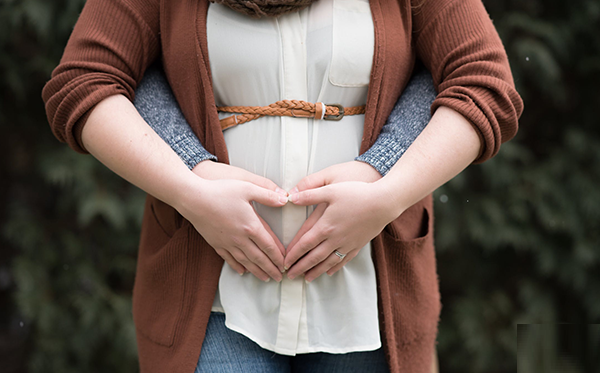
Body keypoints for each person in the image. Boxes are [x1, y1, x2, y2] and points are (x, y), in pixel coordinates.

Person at [42, 1, 524, 372]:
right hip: (213, 297)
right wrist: (191, 186)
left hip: (367, 296)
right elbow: (86, 82)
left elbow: (483, 83)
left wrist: (385, 189)